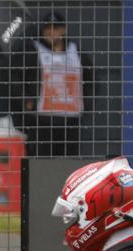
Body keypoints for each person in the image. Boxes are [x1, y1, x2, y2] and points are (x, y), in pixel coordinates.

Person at [16, 11, 91, 158]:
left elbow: (91, 80)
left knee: (69, 162)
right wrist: (26, 100)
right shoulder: (32, 50)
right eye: (47, 28)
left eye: (55, 28)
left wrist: (86, 104)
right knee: (41, 162)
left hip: (71, 121)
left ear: (63, 30)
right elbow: (16, 78)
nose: (51, 32)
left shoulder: (76, 51)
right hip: (41, 120)